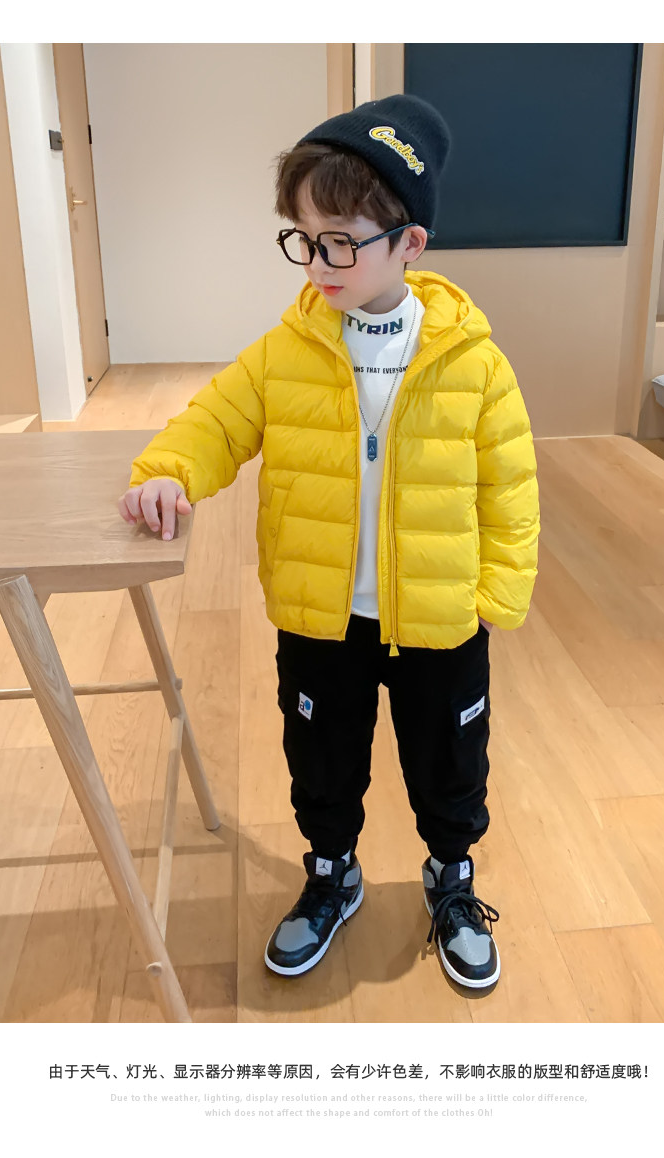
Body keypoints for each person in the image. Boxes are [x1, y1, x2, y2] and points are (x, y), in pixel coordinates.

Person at [119, 94, 540, 990]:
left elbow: (510, 487)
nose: (317, 264)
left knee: (449, 761)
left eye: (341, 242)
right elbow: (214, 421)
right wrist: (168, 470)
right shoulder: (288, 349)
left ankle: (451, 877)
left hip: (439, 620)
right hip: (321, 615)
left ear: (409, 243)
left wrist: (494, 600)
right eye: (305, 240)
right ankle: (331, 873)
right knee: (322, 759)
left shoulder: (473, 361)